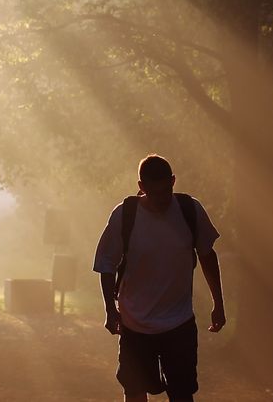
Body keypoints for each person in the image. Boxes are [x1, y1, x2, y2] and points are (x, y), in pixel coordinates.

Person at [93, 154, 225, 402]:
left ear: (173, 182)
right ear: (141, 187)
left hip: (179, 322)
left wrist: (219, 303)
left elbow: (208, 256)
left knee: (182, 392)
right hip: (134, 323)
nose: (162, 199)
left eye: (166, 191)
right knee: (134, 390)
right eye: (154, 193)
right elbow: (106, 264)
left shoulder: (189, 210)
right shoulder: (125, 216)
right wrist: (111, 310)